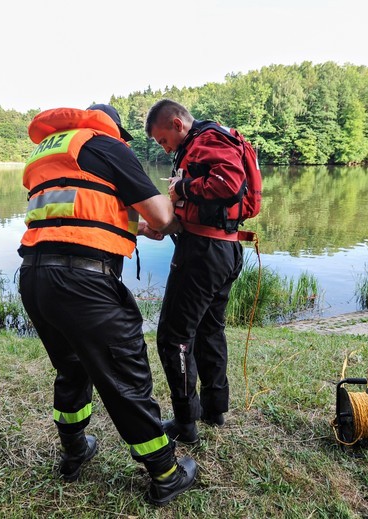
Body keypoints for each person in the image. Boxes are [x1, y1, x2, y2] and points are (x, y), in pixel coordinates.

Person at [18, 104, 196, 506]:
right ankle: (166, 474)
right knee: (126, 377)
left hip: (34, 276)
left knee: (72, 367)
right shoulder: (108, 145)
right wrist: (170, 212)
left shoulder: (48, 152)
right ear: (112, 129)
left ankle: (75, 450)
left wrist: (134, 225)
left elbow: (79, 210)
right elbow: (162, 215)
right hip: (84, 284)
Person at [145, 99, 246, 444]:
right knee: (208, 330)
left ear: (176, 124)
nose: (164, 147)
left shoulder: (205, 141)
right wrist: (169, 222)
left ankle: (186, 422)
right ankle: (214, 409)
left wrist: (181, 188)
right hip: (224, 249)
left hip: (203, 256)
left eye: (162, 140)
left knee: (173, 338)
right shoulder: (207, 141)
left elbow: (230, 183)